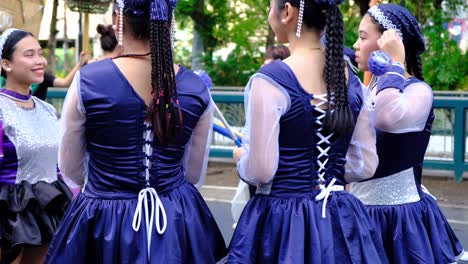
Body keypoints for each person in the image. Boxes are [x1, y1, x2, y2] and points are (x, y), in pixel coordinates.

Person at [44, 0, 226, 263]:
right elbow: (194, 173)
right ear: (170, 23)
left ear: (119, 21)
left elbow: (70, 167)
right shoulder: (196, 87)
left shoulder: (89, 80)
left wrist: (108, 185)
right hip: (175, 217)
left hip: (104, 219)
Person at [227, 0, 388, 263]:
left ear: (287, 12)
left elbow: (261, 170)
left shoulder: (271, 79)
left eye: (271, 7)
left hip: (282, 221)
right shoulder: (351, 79)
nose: (270, 14)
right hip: (340, 219)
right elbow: (364, 165)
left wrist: (241, 157)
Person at [350, 4, 466, 263]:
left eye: (362, 36)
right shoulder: (372, 88)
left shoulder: (418, 91)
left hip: (399, 224)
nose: (356, 45)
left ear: (387, 42)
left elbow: (386, 116)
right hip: (358, 215)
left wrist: (396, 62)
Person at [0, 28, 72, 264]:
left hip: (47, 205)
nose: (39, 61)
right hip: (10, 212)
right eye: (29, 54)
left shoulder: (47, 109)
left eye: (40, 54)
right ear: (6, 64)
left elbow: (55, 165)